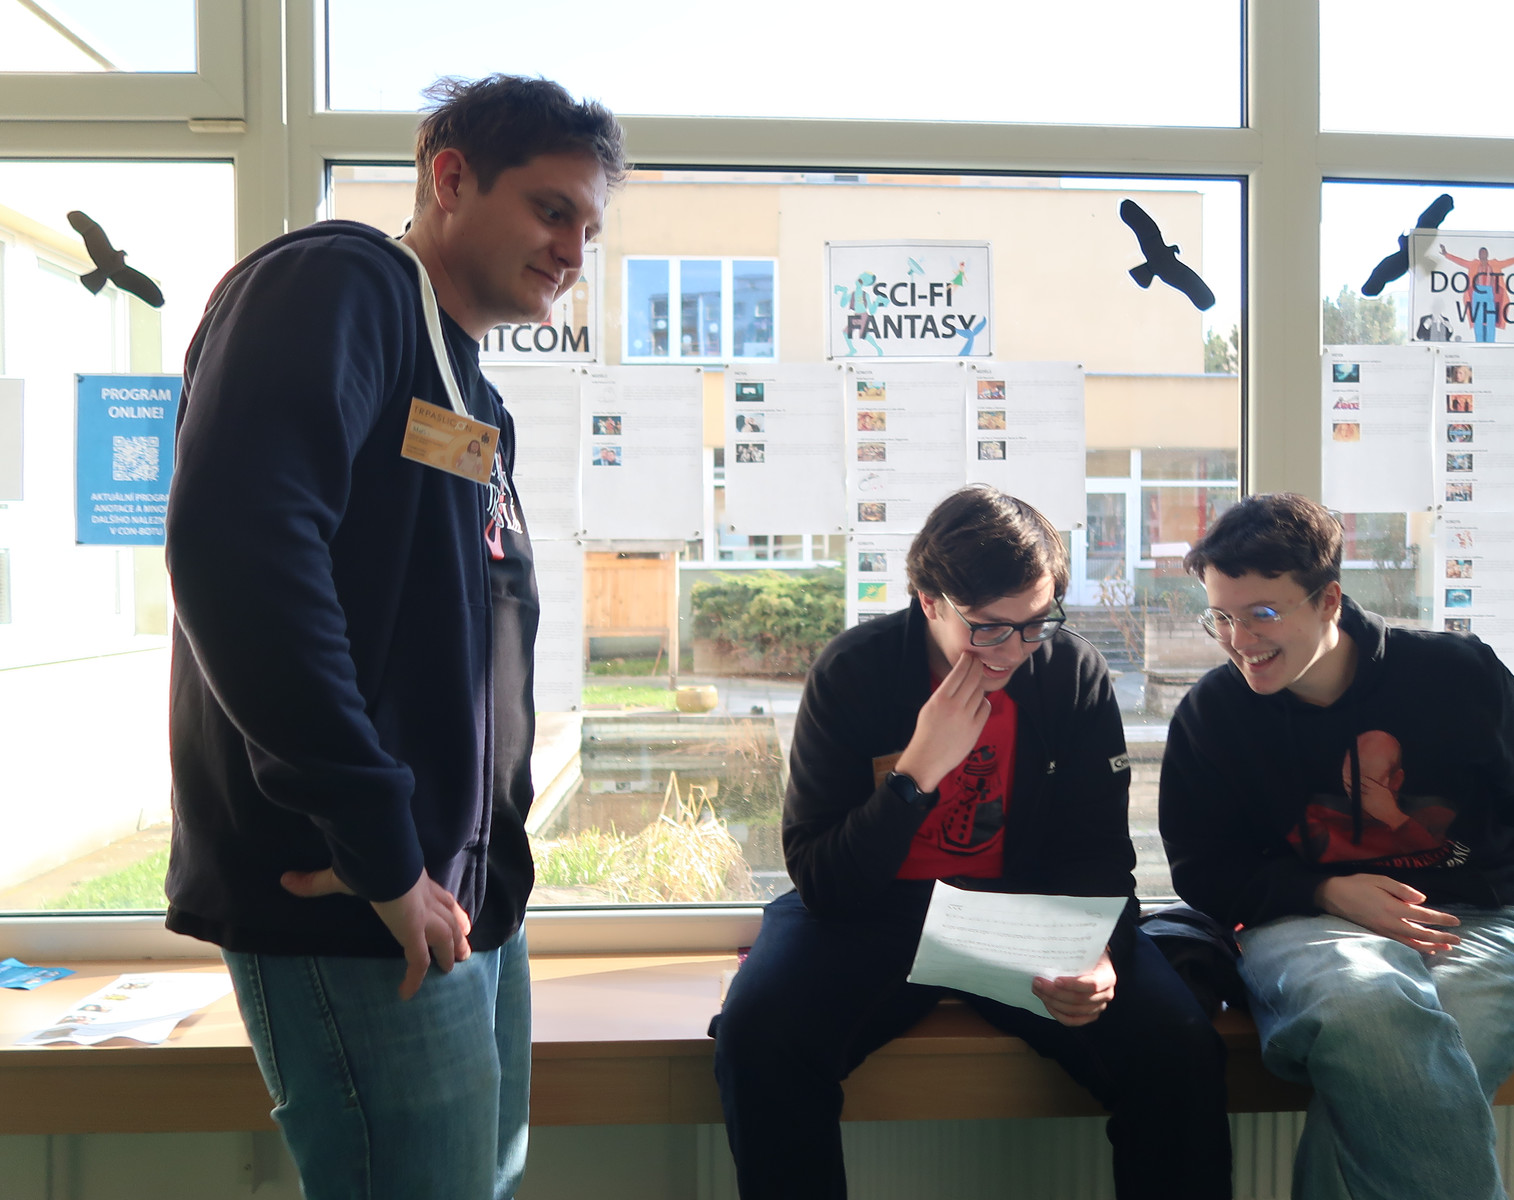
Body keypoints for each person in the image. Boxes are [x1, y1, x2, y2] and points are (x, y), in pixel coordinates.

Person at [164, 75, 625, 1200]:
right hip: (356, 892)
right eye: (551, 210)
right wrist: (378, 844)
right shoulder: (335, 285)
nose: (574, 252)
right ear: (450, 177)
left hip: (447, 895)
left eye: (590, 229)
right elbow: (241, 553)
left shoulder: (465, 384)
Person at [712, 485, 1232, 1199]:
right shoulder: (855, 673)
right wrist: (916, 773)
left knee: (1178, 1045)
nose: (1014, 650)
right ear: (929, 602)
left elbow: (1100, 853)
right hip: (875, 912)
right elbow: (823, 882)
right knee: (758, 1037)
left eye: (1036, 623)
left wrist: (1097, 949)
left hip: (1021, 914)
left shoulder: (1068, 673)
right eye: (989, 629)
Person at [1159, 492, 1514, 1200]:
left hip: (1473, 921)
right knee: (1371, 1014)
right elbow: (1202, 869)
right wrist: (1323, 889)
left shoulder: (1456, 675)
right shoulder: (1213, 714)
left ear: (1329, 600)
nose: (1238, 639)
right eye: (1220, 616)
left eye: (1262, 613)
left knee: (1427, 1054)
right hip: (1302, 923)